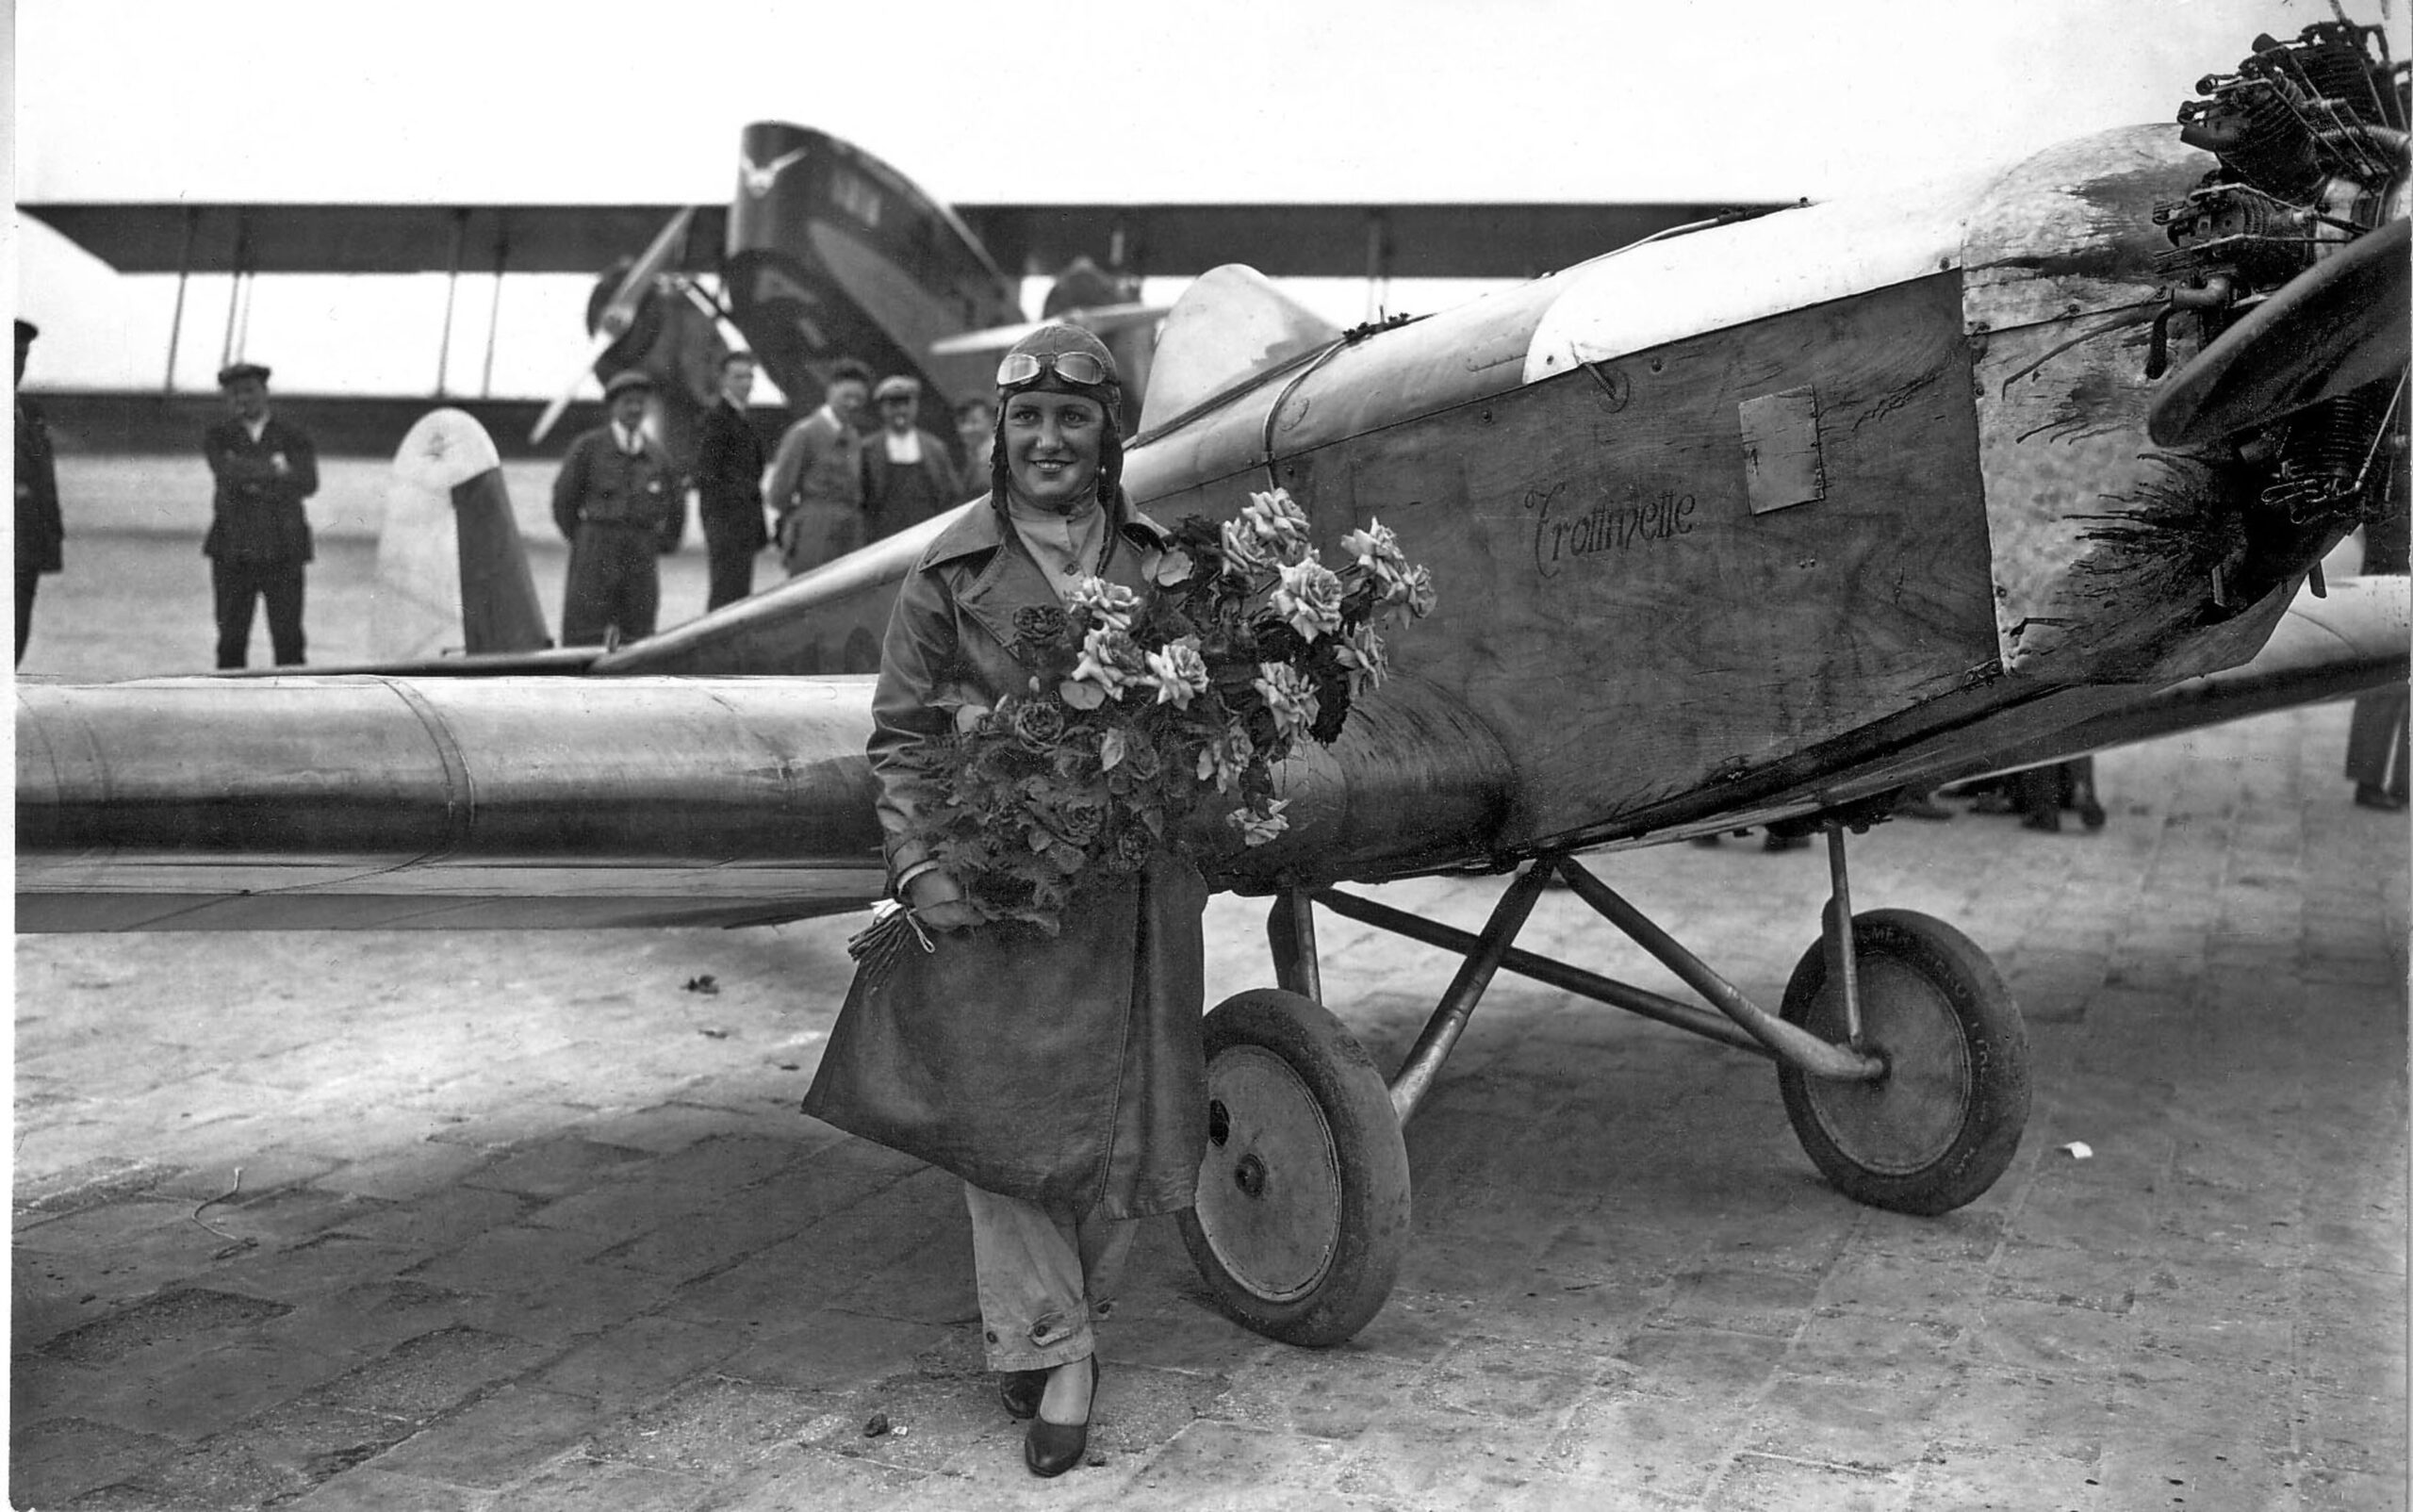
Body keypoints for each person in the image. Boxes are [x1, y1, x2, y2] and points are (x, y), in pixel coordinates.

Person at [803, 326, 1204, 1479]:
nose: (1047, 439)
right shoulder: (947, 570)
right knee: (1003, 1119)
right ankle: (1058, 1346)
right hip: (999, 888)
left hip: (1131, 891)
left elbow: (1202, 715)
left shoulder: (1163, 563)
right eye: (1027, 419)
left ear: (1105, 435)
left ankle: (1061, 1322)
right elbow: (901, 734)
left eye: (1071, 419)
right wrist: (918, 865)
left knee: (1134, 1119)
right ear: (1000, 432)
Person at [551, 369, 683, 647]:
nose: (635, 408)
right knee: (583, 631)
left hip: (640, 551)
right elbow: (563, 500)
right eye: (627, 402)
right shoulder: (588, 448)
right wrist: (584, 538)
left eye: (640, 402)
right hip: (596, 548)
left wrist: (660, 543)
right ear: (613, 407)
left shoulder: (657, 456)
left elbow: (676, 505)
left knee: (638, 632)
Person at [202, 362, 319, 668]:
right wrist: (277, 470)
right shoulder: (218, 435)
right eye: (234, 393)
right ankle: (228, 710)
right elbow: (226, 475)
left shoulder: (293, 434)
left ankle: (294, 707)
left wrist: (247, 472)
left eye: (250, 391)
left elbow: (308, 482)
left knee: (289, 640)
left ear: (265, 392)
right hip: (233, 551)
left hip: (283, 549)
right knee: (230, 642)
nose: (243, 399)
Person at [763, 358, 871, 576]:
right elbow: (778, 493)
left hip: (850, 534)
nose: (852, 404)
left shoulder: (853, 436)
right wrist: (804, 518)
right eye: (846, 397)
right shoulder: (804, 433)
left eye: (859, 399)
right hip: (815, 532)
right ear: (830, 391)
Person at [694, 352, 770, 610]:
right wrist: (725, 522)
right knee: (727, 592)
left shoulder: (743, 418)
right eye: (739, 377)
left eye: (750, 376)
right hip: (726, 523)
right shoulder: (716, 420)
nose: (746, 383)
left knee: (738, 592)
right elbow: (706, 475)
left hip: (742, 523)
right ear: (723, 380)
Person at [858, 374, 965, 542]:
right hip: (883, 536)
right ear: (882, 409)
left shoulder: (935, 448)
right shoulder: (867, 449)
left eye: (906, 404)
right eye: (893, 405)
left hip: (927, 533)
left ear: (915, 406)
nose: (900, 411)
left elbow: (951, 494)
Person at [15, 319, 62, 666]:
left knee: (16, 638)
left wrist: (50, 541)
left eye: (21, 355)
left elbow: (44, 481)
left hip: (26, 548)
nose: (15, 365)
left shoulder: (30, 411)